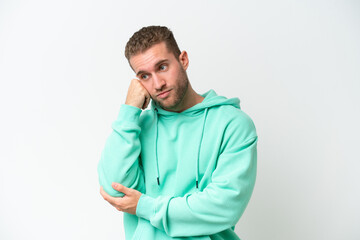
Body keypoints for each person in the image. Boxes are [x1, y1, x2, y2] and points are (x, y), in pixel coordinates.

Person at [97, 25, 258, 240]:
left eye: (162, 67)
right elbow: (115, 191)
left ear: (183, 60)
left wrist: (145, 206)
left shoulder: (232, 124)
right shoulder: (137, 126)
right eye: (144, 76)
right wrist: (129, 111)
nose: (157, 84)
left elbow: (223, 206)